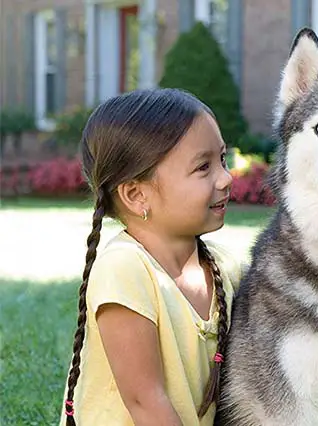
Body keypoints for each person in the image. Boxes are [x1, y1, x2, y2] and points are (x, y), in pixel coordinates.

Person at [58, 88, 243, 425]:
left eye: (223, 159)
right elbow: (146, 402)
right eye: (203, 167)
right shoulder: (125, 269)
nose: (226, 177)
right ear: (136, 194)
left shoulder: (224, 267)